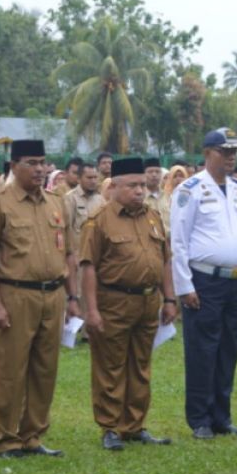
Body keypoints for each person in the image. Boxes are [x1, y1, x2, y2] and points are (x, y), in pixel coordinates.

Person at [0, 139, 80, 459]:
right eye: (31, 163)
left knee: (44, 370)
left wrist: (72, 297)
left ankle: (32, 435)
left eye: (43, 163)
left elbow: (69, 252)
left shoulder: (55, 203)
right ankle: (6, 439)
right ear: (14, 165)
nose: (40, 169)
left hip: (52, 294)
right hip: (15, 294)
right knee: (9, 370)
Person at [80, 157, 178, 451]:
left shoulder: (152, 217)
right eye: (133, 185)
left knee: (140, 365)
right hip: (114, 301)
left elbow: (165, 260)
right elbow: (88, 268)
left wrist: (170, 299)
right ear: (114, 187)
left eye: (143, 184)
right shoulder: (99, 221)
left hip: (148, 301)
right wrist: (92, 311)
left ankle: (134, 425)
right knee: (110, 367)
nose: (140, 190)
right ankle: (110, 427)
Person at [170, 128, 237, 438]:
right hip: (204, 279)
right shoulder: (189, 189)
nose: (231, 156)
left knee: (228, 349)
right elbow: (178, 240)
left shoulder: (236, 188)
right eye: (224, 151)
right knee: (203, 350)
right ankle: (200, 419)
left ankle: (222, 417)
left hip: (235, 279)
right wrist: (184, 286)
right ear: (207, 154)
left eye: (234, 151)